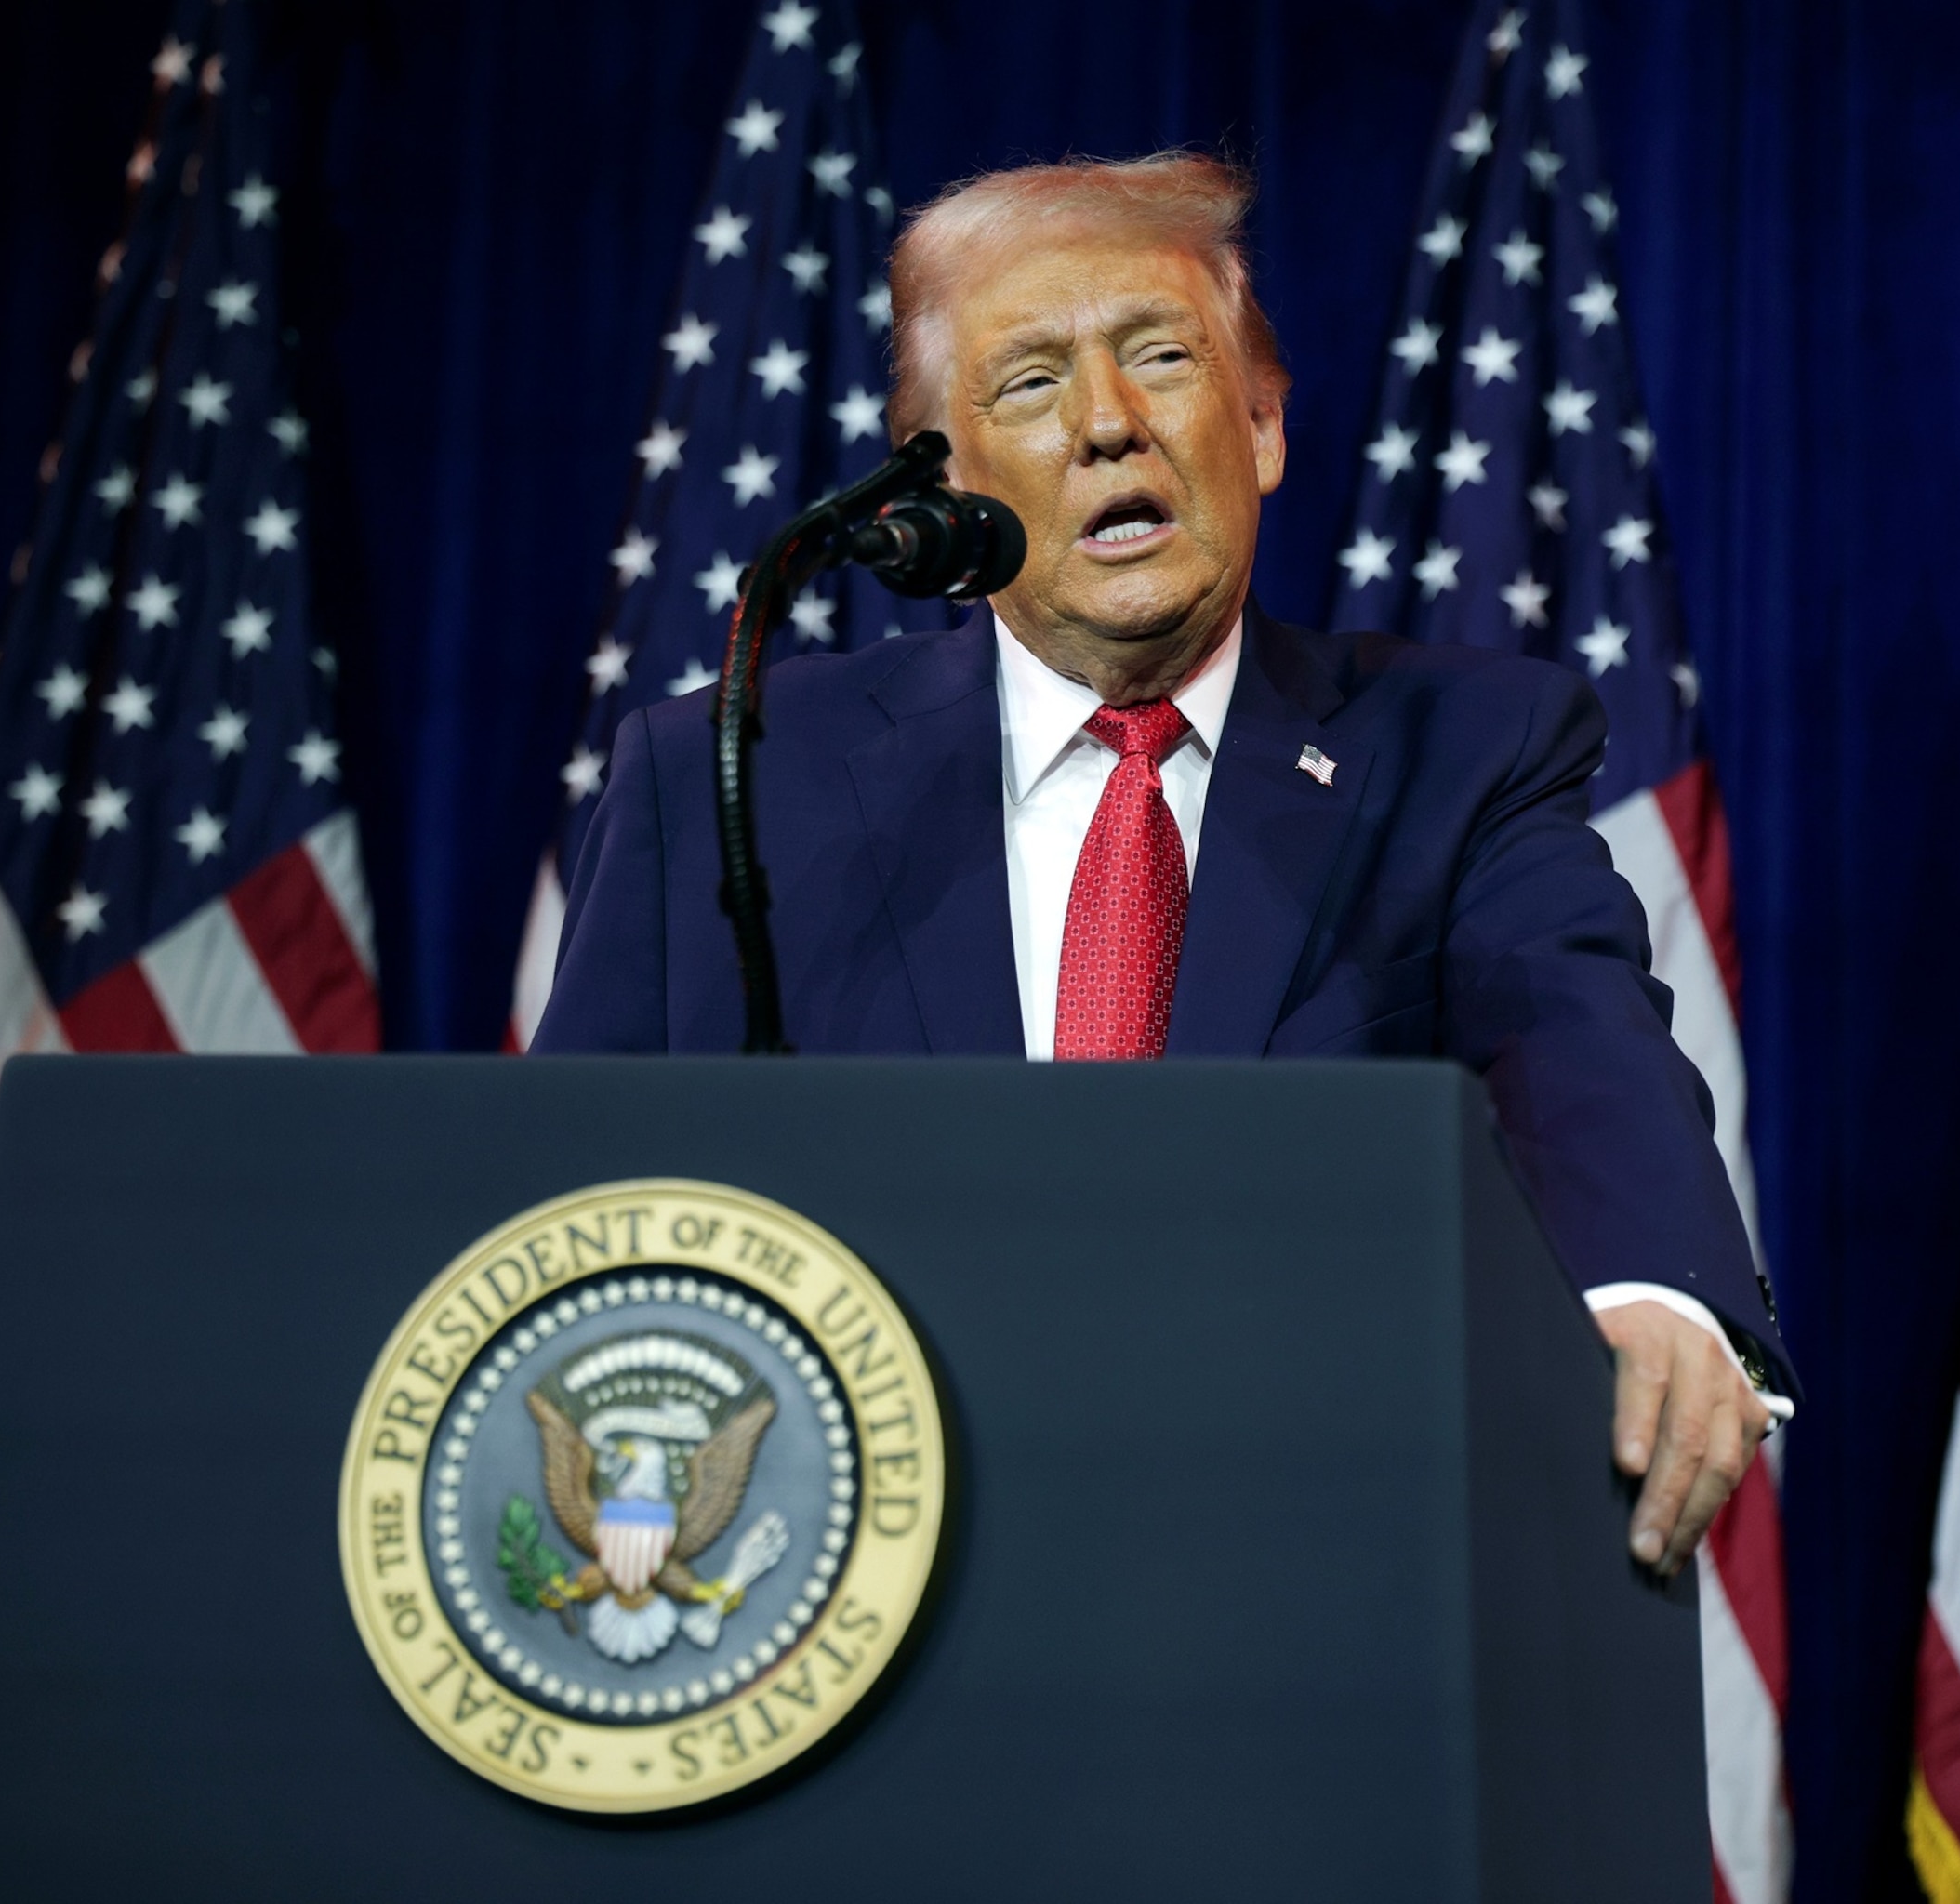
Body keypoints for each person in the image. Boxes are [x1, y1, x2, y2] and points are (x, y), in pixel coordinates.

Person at [535, 153, 1792, 1572]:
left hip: (1302, 1588)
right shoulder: (731, 780)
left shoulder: (1464, 750)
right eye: (1030, 385)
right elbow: (570, 1212)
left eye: (1161, 359)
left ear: (1259, 426)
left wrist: (1652, 1296)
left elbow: (1579, 1043)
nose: (1107, 428)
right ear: (945, 489)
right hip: (840, 1597)